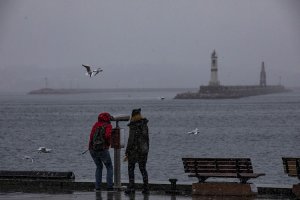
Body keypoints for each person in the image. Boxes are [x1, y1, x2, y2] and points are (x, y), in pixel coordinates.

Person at [124, 108, 149, 194]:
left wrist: (127, 151)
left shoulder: (133, 125)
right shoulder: (144, 124)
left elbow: (131, 140)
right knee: (143, 169)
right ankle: (146, 188)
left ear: (133, 116)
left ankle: (132, 188)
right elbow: (147, 139)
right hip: (143, 151)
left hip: (134, 151)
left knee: (131, 169)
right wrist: (146, 150)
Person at [89, 112, 114, 191]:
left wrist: (91, 147)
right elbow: (107, 136)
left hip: (93, 149)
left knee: (99, 167)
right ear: (107, 118)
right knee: (109, 167)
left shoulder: (96, 125)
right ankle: (109, 187)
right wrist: (108, 144)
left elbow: (91, 136)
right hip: (103, 149)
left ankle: (97, 187)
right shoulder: (108, 125)